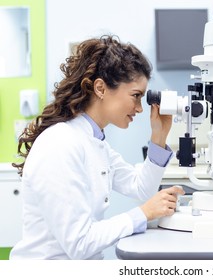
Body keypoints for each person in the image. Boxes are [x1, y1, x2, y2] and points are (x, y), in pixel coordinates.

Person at [10, 35, 184, 260]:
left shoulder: (94, 142)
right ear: (101, 88)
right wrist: (142, 213)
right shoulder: (61, 143)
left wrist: (158, 137)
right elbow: (79, 243)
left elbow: (141, 188)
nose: (140, 108)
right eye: (135, 96)